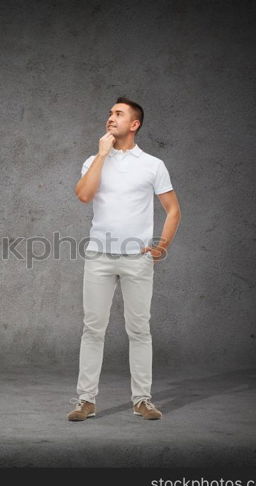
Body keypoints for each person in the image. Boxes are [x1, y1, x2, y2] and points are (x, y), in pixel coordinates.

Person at [68, 97, 181, 422]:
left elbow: (173, 209)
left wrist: (162, 244)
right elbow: (83, 195)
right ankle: (85, 401)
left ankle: (142, 400)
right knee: (92, 329)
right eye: (109, 113)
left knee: (139, 330)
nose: (110, 118)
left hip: (137, 259)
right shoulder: (94, 160)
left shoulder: (153, 165)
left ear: (135, 124)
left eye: (118, 114)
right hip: (99, 256)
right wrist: (102, 155)